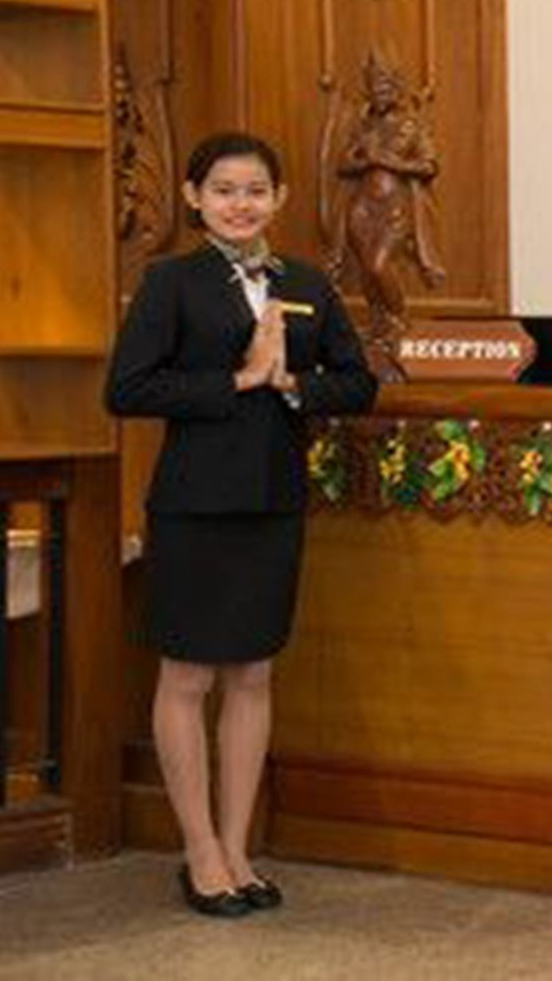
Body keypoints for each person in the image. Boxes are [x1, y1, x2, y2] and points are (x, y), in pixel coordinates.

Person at [107, 132, 378, 917]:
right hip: (193, 503)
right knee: (188, 675)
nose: (240, 203)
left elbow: (357, 384)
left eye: (255, 189)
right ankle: (198, 852)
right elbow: (127, 389)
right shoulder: (170, 283)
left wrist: (291, 379)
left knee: (254, 673)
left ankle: (238, 848)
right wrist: (237, 379)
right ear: (195, 199)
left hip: (272, 500)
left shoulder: (306, 284)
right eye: (223, 189)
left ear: (280, 198)